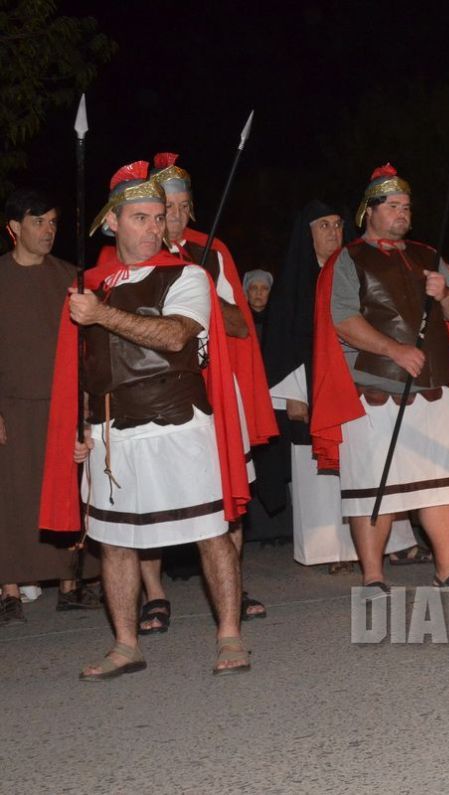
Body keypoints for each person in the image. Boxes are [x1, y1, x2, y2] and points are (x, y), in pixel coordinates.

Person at [40, 161, 252, 678]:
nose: (155, 227)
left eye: (158, 217)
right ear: (112, 222)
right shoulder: (88, 284)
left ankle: (229, 636)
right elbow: (82, 368)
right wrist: (81, 427)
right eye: (141, 217)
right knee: (114, 543)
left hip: (178, 423)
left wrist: (101, 315)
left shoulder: (188, 275)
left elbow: (175, 336)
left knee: (211, 534)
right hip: (114, 434)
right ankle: (125, 644)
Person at [310, 163, 449, 590]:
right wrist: (394, 350)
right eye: (393, 206)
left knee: (442, 484)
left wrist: (445, 293)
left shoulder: (428, 256)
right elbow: (342, 319)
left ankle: (447, 568)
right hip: (379, 391)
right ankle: (373, 575)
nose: (402, 213)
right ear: (369, 211)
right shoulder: (349, 259)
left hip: (437, 389)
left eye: (406, 207)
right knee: (373, 487)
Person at [136, 152, 276, 631]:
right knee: (148, 495)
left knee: (226, 494)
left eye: (180, 207)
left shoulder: (212, 252)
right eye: (164, 207)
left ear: (192, 209)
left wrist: (208, 294)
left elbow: (240, 327)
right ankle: (154, 595)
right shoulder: (133, 253)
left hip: (213, 386)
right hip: (152, 388)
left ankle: (231, 586)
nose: (172, 217)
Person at [263, 201, 427, 572]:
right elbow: (281, 345)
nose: (334, 232)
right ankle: (333, 550)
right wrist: (292, 396)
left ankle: (396, 542)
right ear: (307, 234)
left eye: (338, 225)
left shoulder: (356, 268)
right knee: (321, 471)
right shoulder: (295, 281)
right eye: (323, 226)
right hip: (314, 389)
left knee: (373, 462)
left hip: (363, 381)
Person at [1, 188, 101, 625]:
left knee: (65, 488)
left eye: (54, 222)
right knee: (12, 495)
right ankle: (8, 590)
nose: (48, 230)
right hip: (11, 404)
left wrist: (86, 403)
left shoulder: (71, 278)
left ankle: (70, 584)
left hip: (63, 400)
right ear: (13, 228)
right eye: (38, 221)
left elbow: (89, 348)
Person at [242, 269, 273, 337]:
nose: (259, 293)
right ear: (246, 292)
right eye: (254, 288)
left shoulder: (276, 321)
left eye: (264, 288)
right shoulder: (239, 320)